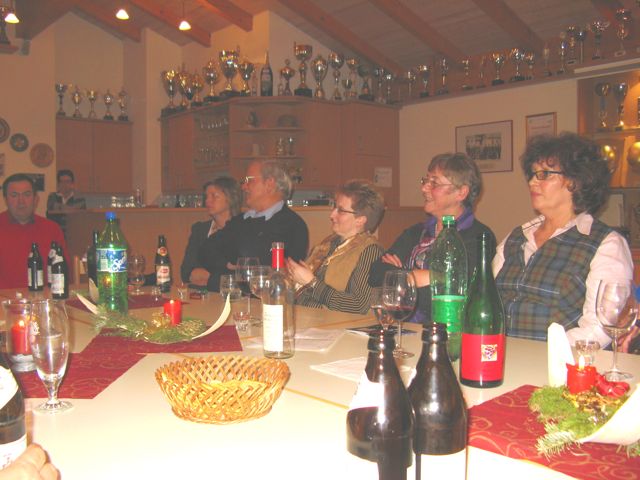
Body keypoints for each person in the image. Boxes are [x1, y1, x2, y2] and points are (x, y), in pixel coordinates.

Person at [493, 133, 633, 347]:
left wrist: (547, 351)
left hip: (557, 362)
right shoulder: (515, 238)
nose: (532, 182)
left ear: (574, 182)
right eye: (532, 174)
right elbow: (488, 303)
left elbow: (600, 328)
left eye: (543, 174)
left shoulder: (606, 244)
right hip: (496, 355)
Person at [369, 152, 494, 324]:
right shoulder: (416, 232)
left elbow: (455, 295)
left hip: (449, 332)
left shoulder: (479, 237)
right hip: (404, 328)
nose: (424, 188)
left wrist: (400, 278)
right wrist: (424, 277)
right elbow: (376, 273)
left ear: (461, 192)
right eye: (425, 181)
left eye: (434, 183)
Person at [200, 160, 309, 286]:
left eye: (249, 180)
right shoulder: (241, 220)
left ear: (269, 184)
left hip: (266, 297)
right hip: (231, 295)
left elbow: (275, 274)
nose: (243, 187)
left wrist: (216, 277)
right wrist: (228, 265)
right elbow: (205, 250)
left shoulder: (293, 225)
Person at [287, 180, 385, 314]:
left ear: (360, 220)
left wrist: (312, 283)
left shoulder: (371, 251)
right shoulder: (329, 243)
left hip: (336, 325)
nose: (332, 215)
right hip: (307, 319)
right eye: (334, 207)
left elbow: (358, 305)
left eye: (341, 211)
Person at [0, 173, 67, 289]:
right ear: (5, 199)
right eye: (14, 195)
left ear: (35, 199)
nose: (21, 201)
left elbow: (64, 272)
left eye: (27, 194)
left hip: (44, 297)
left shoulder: (52, 229)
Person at [180, 177, 242, 291]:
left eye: (214, 196)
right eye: (207, 197)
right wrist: (217, 277)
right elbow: (185, 272)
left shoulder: (242, 229)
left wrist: (208, 278)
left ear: (230, 198)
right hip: (197, 295)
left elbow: (238, 276)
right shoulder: (199, 229)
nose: (208, 201)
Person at [46, 169, 85, 236]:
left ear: (72, 183)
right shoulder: (52, 196)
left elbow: (81, 216)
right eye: (62, 182)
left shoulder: (79, 198)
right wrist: (71, 209)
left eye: (67, 181)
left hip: (74, 233)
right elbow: (51, 208)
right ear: (58, 184)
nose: (65, 184)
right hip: (55, 233)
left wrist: (60, 207)